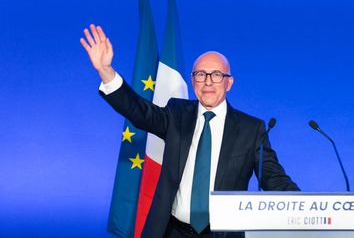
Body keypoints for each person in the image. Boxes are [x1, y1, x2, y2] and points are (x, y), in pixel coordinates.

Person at [81, 24, 300, 238]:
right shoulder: (176, 113)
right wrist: (106, 71)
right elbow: (139, 111)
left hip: (222, 234)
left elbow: (274, 179)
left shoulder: (250, 129)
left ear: (229, 83)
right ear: (193, 81)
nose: (207, 82)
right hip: (172, 231)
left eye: (216, 75)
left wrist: (311, 208)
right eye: (200, 74)